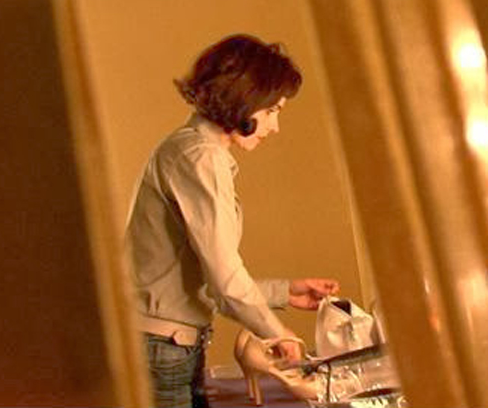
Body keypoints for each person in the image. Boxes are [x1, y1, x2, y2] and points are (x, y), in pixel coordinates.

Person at [123, 34, 339, 408]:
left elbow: (201, 277)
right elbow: (224, 279)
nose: (275, 126)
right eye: (272, 111)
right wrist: (278, 334)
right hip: (162, 348)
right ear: (244, 100)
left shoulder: (193, 151)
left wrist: (285, 292)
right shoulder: (200, 158)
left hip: (168, 344)